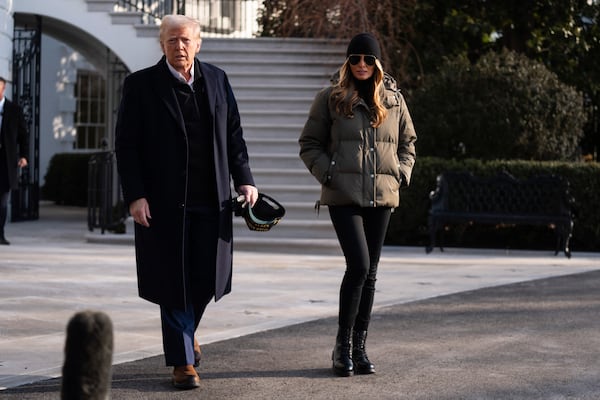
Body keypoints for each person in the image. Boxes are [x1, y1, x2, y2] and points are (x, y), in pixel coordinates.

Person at [115, 14, 257, 390]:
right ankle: (182, 363)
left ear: (198, 43)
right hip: (163, 203)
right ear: (161, 44)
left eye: (185, 40)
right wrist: (135, 196)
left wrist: (245, 180)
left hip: (212, 200)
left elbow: (234, 136)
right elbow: (126, 147)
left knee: (206, 276)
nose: (179, 47)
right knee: (171, 278)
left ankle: (187, 330)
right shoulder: (141, 85)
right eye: (172, 41)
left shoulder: (217, 79)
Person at [299, 33, 417, 377]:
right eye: (355, 59)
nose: (361, 65)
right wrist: (329, 173)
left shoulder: (394, 101)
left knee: (371, 273)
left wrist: (400, 175)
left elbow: (408, 142)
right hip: (344, 195)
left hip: (381, 196)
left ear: (377, 63)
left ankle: (360, 348)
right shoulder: (330, 98)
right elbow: (309, 143)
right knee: (359, 266)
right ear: (347, 63)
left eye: (368, 59)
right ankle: (342, 346)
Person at [0, 76, 29, 245]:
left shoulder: (14, 110)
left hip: (6, 163)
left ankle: (0, 233)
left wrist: (24, 156)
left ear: (4, 89)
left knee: (3, 202)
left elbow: (23, 136)